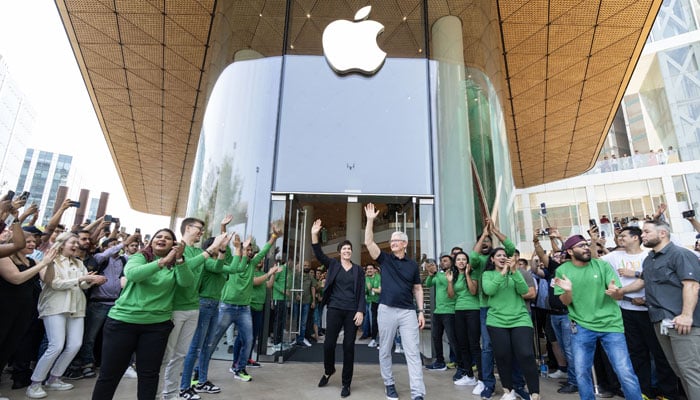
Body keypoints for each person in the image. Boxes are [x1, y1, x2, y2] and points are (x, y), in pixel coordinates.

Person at [90, 228, 196, 400]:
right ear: (151, 241)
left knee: (149, 375)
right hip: (122, 323)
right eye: (158, 236)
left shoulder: (177, 263)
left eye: (168, 238)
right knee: (110, 374)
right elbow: (133, 274)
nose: (162, 239)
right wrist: (161, 262)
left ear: (174, 244)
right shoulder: (140, 257)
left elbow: (186, 282)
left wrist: (179, 259)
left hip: (156, 326)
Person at [590, 226, 678, 399]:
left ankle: (668, 393)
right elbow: (595, 260)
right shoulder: (615, 256)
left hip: (651, 311)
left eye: (623, 236)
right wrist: (593, 242)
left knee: (660, 353)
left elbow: (650, 280)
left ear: (636, 237)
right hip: (627, 311)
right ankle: (644, 391)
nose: (619, 238)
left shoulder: (648, 255)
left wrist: (636, 280)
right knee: (637, 353)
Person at [553, 234, 642, 400]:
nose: (586, 247)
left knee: (624, 370)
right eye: (581, 246)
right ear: (570, 251)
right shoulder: (562, 271)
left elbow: (617, 295)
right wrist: (568, 291)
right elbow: (565, 302)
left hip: (611, 325)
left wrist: (616, 292)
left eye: (586, 244)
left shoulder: (602, 266)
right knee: (581, 372)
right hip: (581, 326)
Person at [26, 232, 107, 399]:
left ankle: (54, 378)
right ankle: (35, 383)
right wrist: (80, 280)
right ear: (62, 244)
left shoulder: (79, 263)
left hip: (76, 307)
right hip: (55, 306)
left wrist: (90, 280)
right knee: (55, 345)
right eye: (73, 242)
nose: (76, 246)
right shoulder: (51, 260)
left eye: (77, 243)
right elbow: (54, 284)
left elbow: (83, 285)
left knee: (75, 345)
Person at [364, 203, 425, 400]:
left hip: (407, 312)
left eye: (397, 240)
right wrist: (370, 220)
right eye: (391, 240)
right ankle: (389, 384)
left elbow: (417, 288)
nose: (393, 242)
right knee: (385, 349)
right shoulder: (385, 260)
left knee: (413, 353)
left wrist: (421, 311)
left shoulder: (412, 265)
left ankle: (418, 393)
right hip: (386, 310)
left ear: (405, 244)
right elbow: (369, 243)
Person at [639, 220, 700, 398]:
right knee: (680, 372)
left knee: (692, 372)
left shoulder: (680, 254)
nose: (642, 235)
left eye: (646, 232)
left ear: (662, 233)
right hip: (661, 322)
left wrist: (686, 315)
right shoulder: (649, 259)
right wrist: (620, 292)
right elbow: (645, 283)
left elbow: (691, 286)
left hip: (683, 323)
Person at [312, 219, 365, 398]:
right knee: (328, 345)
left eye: (349, 249)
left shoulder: (358, 270)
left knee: (349, 346)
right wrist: (314, 234)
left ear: (352, 251)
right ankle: (329, 370)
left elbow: (361, 294)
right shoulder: (333, 265)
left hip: (352, 311)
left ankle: (346, 383)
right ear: (339, 252)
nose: (347, 251)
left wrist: (360, 311)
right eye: (344, 249)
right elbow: (318, 254)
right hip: (334, 308)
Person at [482, 248, 540, 400]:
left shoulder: (517, 273)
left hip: (520, 318)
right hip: (496, 320)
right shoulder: (487, 275)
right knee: (502, 355)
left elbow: (523, 291)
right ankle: (509, 390)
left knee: (526, 354)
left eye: (504, 256)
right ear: (492, 260)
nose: (502, 258)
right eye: (498, 256)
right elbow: (489, 290)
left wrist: (514, 272)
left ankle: (534, 392)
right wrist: (503, 272)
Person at [451, 251, 483, 389]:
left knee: (474, 344)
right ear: (455, 262)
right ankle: (469, 376)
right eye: (459, 259)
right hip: (459, 310)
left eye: (464, 259)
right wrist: (449, 281)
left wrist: (468, 274)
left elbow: (473, 291)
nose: (461, 262)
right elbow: (451, 295)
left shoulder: (473, 272)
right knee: (462, 344)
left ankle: (482, 378)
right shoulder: (454, 275)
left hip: (473, 310)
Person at [423, 258, 459, 374]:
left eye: (445, 261)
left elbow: (446, 282)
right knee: (436, 337)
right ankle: (440, 362)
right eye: (441, 261)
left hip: (449, 311)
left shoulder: (453, 274)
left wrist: (435, 273)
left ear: (451, 263)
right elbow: (428, 284)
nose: (442, 263)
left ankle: (463, 364)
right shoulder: (439, 275)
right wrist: (430, 274)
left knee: (453, 339)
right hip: (438, 311)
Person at [365, 264, 381, 348]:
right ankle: (374, 339)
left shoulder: (379, 277)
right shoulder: (366, 278)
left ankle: (382, 341)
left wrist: (371, 289)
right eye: (368, 269)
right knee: (373, 322)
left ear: (375, 270)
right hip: (372, 302)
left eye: (371, 268)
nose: (369, 270)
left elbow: (380, 290)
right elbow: (365, 291)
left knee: (381, 322)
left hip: (381, 302)